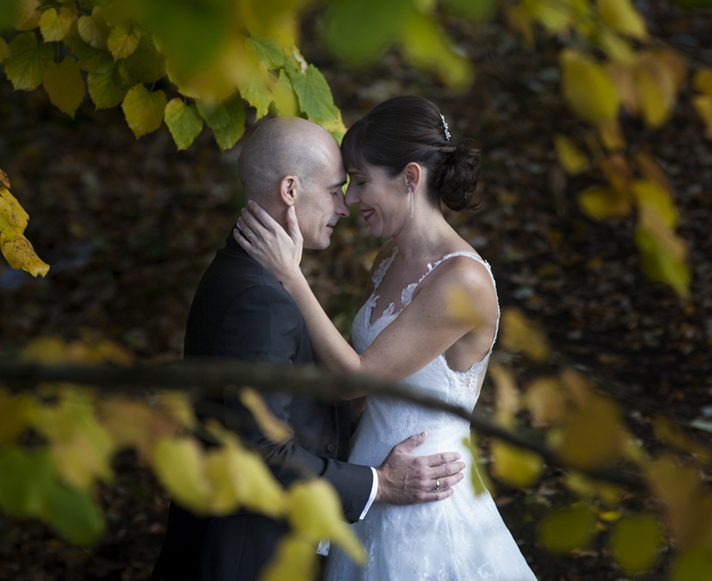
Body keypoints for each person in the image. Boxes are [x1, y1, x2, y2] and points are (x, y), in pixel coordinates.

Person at [151, 116, 467, 581]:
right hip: (245, 555)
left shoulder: (239, 272)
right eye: (336, 189)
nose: (345, 205)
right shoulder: (260, 297)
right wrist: (381, 484)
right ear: (291, 191)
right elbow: (260, 451)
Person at [234, 96, 537, 581]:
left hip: (425, 494)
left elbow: (358, 378)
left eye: (361, 181)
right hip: (374, 476)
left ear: (410, 178)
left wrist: (291, 277)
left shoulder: (463, 282)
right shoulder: (387, 261)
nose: (350, 200)